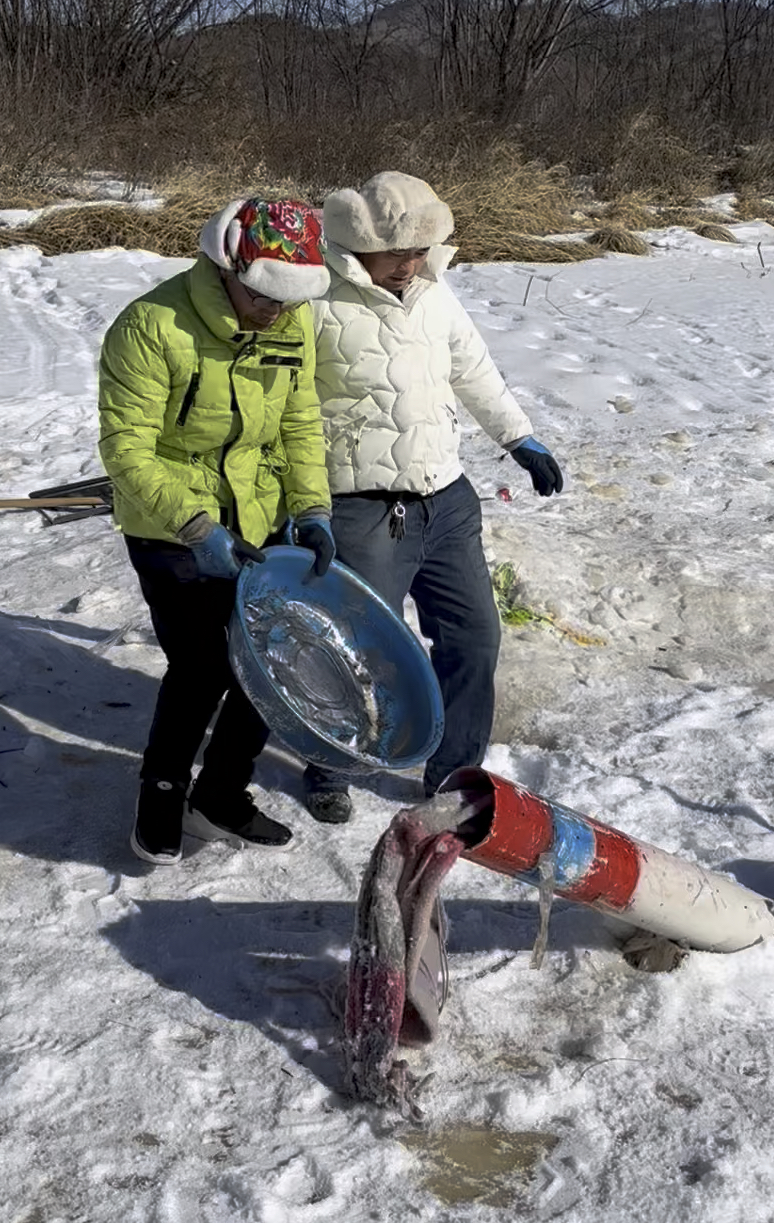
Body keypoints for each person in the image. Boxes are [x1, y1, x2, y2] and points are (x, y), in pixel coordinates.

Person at [304, 171, 563, 824]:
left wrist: (519, 437)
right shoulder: (313, 300)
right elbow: (287, 410)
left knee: (474, 638)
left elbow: (472, 368)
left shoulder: (433, 294)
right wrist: (301, 504)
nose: (412, 264)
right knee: (364, 649)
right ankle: (333, 765)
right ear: (361, 245)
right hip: (364, 508)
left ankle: (452, 771)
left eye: (421, 250)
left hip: (444, 497)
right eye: (399, 252)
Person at [98, 196, 336, 864]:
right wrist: (195, 525)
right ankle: (162, 788)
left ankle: (221, 794)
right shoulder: (151, 326)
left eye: (289, 299)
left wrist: (313, 510)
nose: (276, 311)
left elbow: (299, 422)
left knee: (271, 660)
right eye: (264, 295)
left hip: (257, 515)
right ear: (227, 267)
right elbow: (125, 450)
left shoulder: (290, 321)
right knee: (203, 665)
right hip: (170, 523)